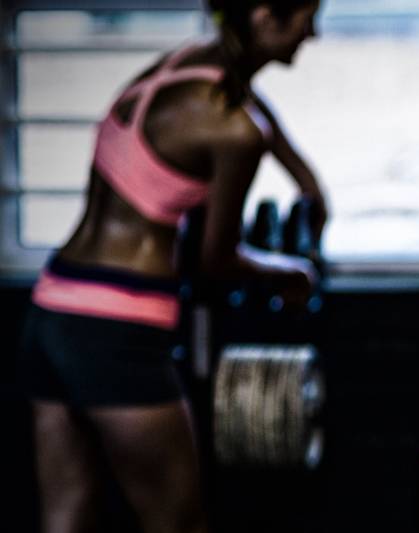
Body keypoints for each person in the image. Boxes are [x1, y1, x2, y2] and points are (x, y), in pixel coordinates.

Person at [16, 1, 325, 531]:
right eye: (306, 18)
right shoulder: (234, 129)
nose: (313, 34)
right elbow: (214, 260)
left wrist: (303, 175)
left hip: (54, 306)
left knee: (66, 518)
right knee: (178, 523)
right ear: (265, 16)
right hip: (118, 326)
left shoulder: (181, 68)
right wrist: (288, 272)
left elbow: (253, 114)